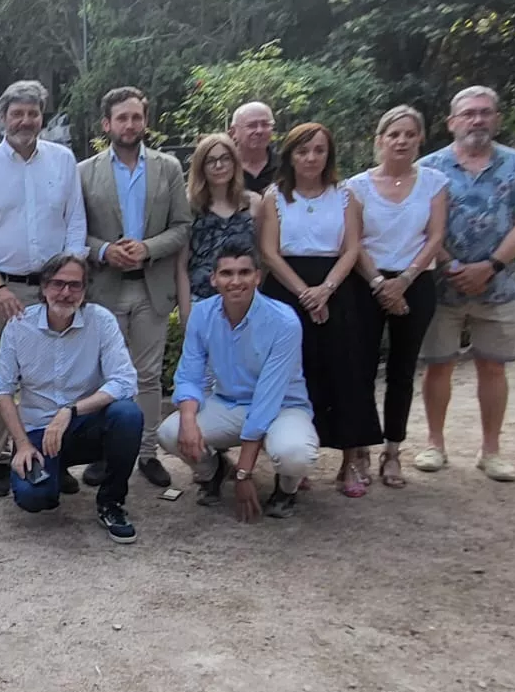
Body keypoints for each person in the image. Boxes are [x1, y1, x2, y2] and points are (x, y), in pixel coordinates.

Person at [0, 80, 88, 497]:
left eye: (32, 113)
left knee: (59, 372)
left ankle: (58, 455)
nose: (25, 121)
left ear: (42, 118)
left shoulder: (63, 161)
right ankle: (2, 459)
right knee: (4, 374)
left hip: (56, 288)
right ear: (2, 120)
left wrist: (68, 282)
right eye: (16, 114)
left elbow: (75, 223)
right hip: (5, 288)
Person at [416, 86, 515, 482]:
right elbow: (418, 224)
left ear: (497, 118)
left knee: (493, 367)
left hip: (499, 285)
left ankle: (491, 450)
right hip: (441, 284)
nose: (477, 120)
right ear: (452, 121)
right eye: (469, 113)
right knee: (438, 366)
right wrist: (450, 264)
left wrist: (491, 265)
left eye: (485, 112)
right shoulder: (429, 168)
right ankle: (435, 444)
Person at [258, 123, 382, 496]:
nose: (310, 158)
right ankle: (298, 461)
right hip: (286, 289)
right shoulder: (274, 196)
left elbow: (351, 248)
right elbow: (268, 251)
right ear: (290, 155)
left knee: (345, 372)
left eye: (318, 150)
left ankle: (349, 463)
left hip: (337, 288)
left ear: (329, 155)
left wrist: (325, 290)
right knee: (296, 376)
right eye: (302, 151)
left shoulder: (346, 195)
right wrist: (304, 292)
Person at [77, 86, 190, 490]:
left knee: (146, 376)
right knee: (102, 374)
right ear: (106, 124)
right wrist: (105, 250)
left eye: (136, 117)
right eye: (121, 118)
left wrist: (146, 249)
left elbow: (181, 227)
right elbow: (75, 232)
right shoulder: (84, 172)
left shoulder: (169, 168)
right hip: (104, 287)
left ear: (145, 121)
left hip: (151, 286)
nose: (129, 125)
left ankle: (146, 452)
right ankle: (104, 452)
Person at [158, 240, 319, 521]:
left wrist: (245, 473)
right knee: (171, 433)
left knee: (294, 453)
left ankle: (286, 488)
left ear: (258, 276)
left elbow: (268, 397)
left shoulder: (284, 321)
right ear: (214, 279)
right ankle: (214, 471)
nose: (235, 281)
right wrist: (187, 419)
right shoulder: (201, 315)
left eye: (244, 273)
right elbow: (189, 374)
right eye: (227, 273)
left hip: (282, 407)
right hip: (228, 404)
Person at [0, 254, 143, 542]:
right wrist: (22, 445)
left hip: (84, 424)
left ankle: (111, 502)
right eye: (57, 284)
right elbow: (2, 388)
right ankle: (55, 471)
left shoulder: (101, 321)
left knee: (127, 414)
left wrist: (70, 411)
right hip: (38, 431)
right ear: (43, 287)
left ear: (85, 290)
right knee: (34, 499)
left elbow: (125, 381)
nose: (65, 293)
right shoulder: (18, 326)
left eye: (75, 286)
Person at [347, 106, 448, 488]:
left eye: (409, 134)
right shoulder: (357, 186)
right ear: (380, 140)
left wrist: (403, 281)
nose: (402, 141)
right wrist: (378, 284)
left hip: (415, 282)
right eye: (394, 134)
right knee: (361, 370)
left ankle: (393, 450)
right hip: (365, 281)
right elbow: (353, 242)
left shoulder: (434, 182)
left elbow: (435, 237)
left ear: (420, 138)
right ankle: (361, 449)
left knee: (402, 371)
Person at [178, 133, 261, 326]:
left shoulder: (254, 204)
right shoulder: (188, 206)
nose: (219, 166)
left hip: (245, 302)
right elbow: (181, 266)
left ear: (235, 162)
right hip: (201, 302)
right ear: (201, 167)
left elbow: (261, 258)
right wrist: (185, 312)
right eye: (211, 161)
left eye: (225, 158)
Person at [229, 102, 280, 194]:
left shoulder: (286, 167)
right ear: (233, 132)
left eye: (265, 124)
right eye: (251, 125)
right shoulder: (223, 168)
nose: (259, 131)